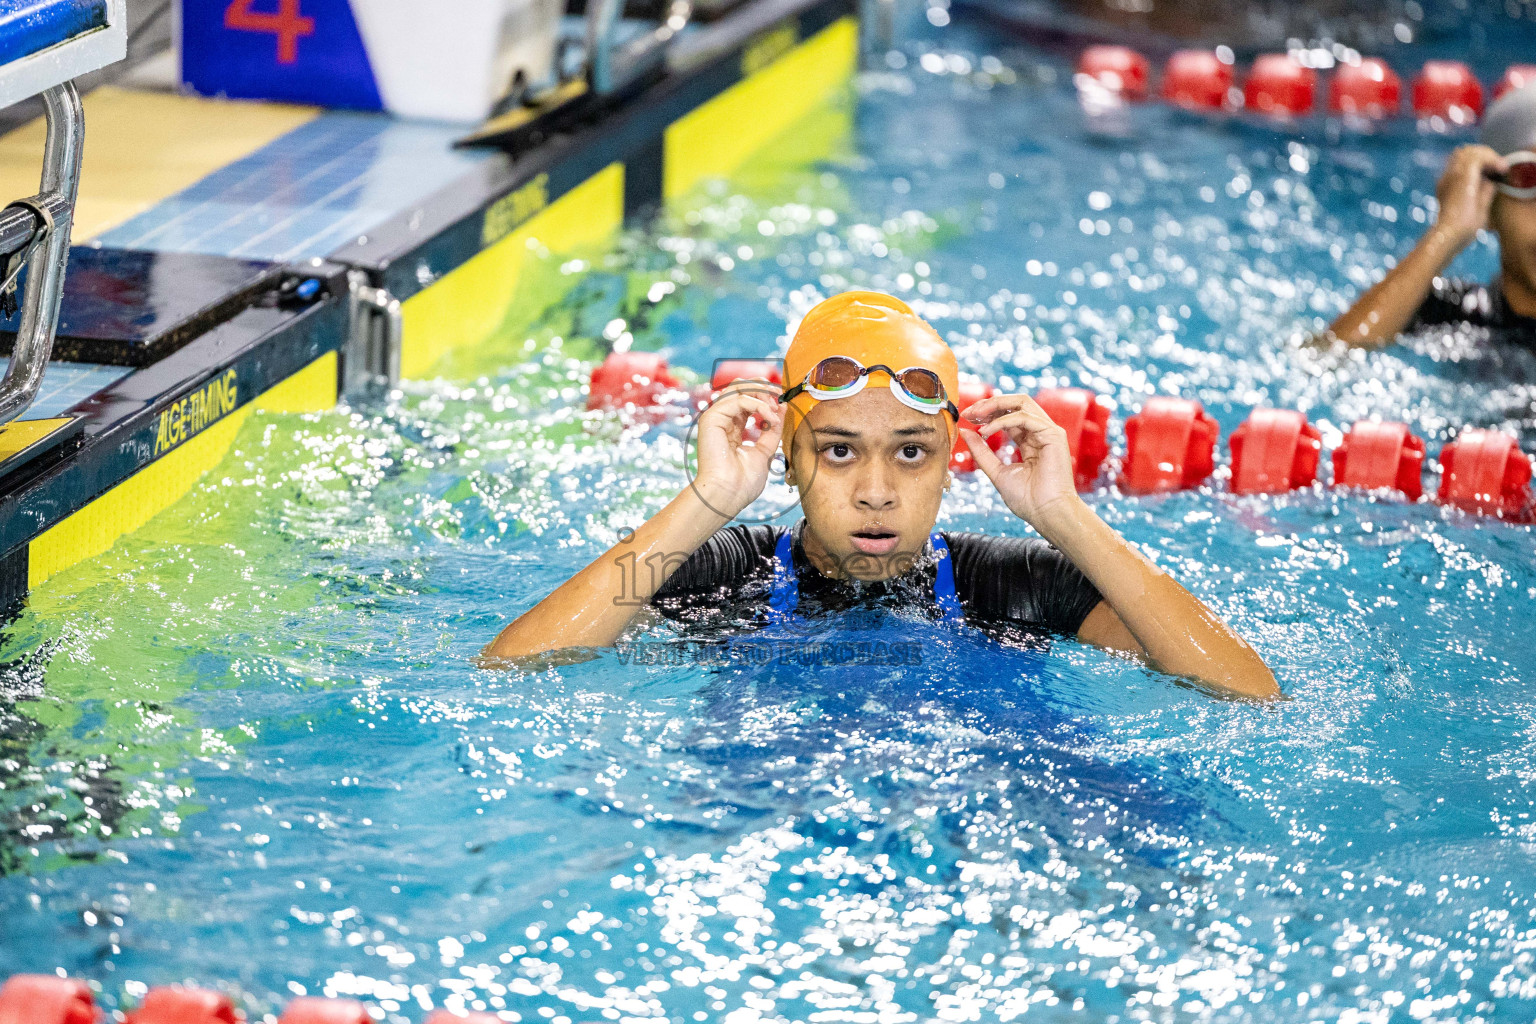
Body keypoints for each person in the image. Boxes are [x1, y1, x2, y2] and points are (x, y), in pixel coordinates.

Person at [485, 291, 1280, 700]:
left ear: (949, 464)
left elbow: (1244, 690)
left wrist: (1064, 517)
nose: (875, 492)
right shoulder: (724, 568)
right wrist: (710, 498)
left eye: (910, 452)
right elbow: (517, 665)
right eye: (837, 451)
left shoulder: (1012, 582)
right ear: (789, 461)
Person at [1329, 83, 1536, 347]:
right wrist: (1447, 231)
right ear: (1490, 202)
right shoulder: (1449, 315)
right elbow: (1323, 359)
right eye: (1529, 176)